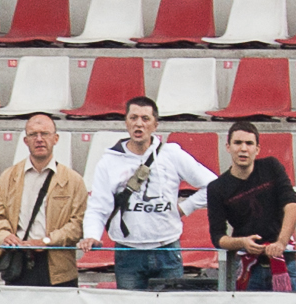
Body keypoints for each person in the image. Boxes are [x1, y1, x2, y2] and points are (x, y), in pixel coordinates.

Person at [80, 95, 212, 290]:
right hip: (128, 252)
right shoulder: (109, 161)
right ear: (126, 122)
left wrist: (185, 208)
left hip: (166, 249)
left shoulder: (172, 154)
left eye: (145, 119)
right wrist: (91, 234)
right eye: (133, 118)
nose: (138, 124)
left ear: (155, 125)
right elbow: (98, 206)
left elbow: (213, 185)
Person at [0, 110, 84, 288]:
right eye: (33, 134)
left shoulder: (73, 180)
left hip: (58, 267)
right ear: (26, 141)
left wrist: (47, 241)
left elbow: (78, 225)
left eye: (45, 134)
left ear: (56, 139)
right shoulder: (8, 177)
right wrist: (5, 235)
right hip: (19, 262)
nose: (39, 139)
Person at [205, 119, 296, 293]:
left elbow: (291, 206)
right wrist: (242, 242)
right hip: (248, 266)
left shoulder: (272, 167)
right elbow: (218, 237)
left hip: (283, 260)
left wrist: (280, 243)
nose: (243, 148)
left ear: (257, 149)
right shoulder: (217, 188)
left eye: (249, 143)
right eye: (238, 143)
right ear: (228, 147)